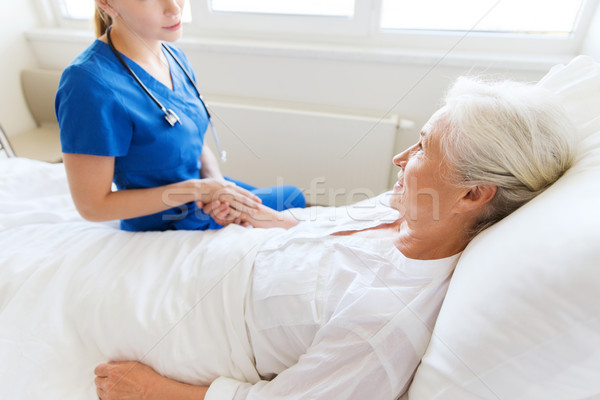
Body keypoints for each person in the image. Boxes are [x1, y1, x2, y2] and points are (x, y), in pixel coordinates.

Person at [92, 75, 575, 400]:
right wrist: (258, 215)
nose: (400, 158)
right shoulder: (401, 208)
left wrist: (154, 391)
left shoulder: (385, 320)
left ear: (472, 195)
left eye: (423, 146)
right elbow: (318, 232)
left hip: (200, 323)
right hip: (216, 258)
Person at [55, 0, 305, 232]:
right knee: (293, 224)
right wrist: (198, 190)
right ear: (107, 3)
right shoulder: (87, 84)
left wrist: (219, 189)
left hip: (202, 194)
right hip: (164, 220)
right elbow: (93, 206)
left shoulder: (173, 55)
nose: (174, 7)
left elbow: (193, 141)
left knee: (294, 197)